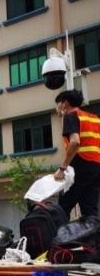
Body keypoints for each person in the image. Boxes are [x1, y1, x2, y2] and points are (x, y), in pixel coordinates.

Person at [53, 90, 100, 218]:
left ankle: (59, 237)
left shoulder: (71, 115)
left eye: (58, 103)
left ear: (65, 103)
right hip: (96, 168)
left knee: (62, 208)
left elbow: (74, 142)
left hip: (80, 166)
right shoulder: (94, 118)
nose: (57, 107)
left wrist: (62, 168)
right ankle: (92, 237)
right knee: (90, 211)